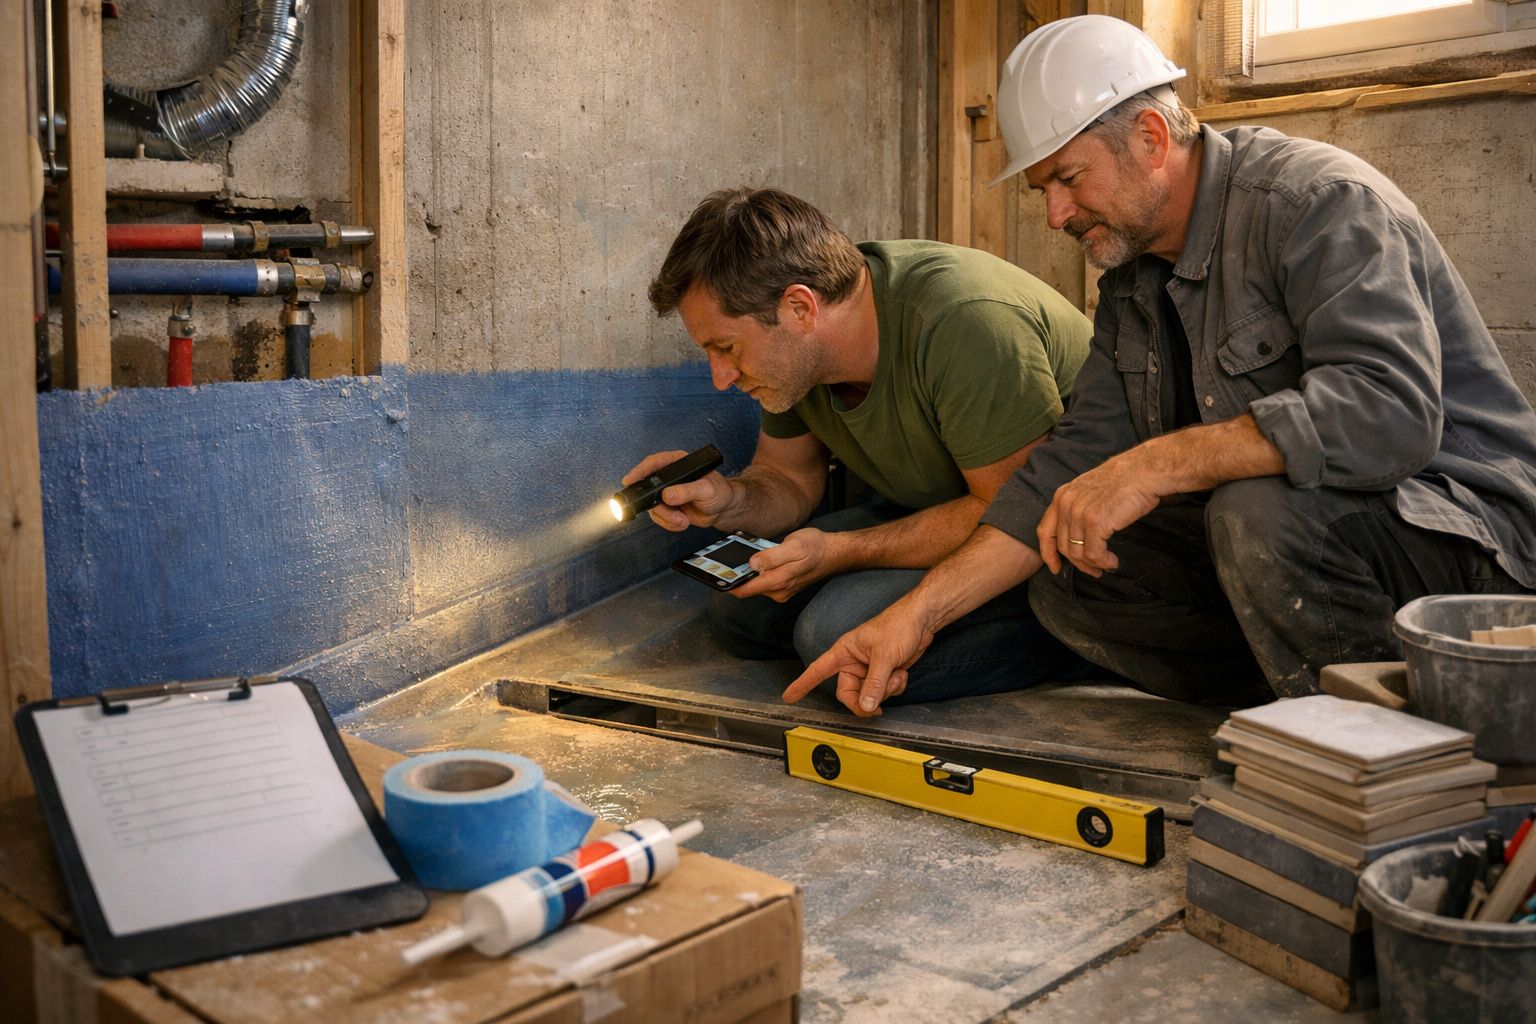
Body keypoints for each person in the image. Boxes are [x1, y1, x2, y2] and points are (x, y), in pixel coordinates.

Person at [785, 15, 1536, 716]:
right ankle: (1293, 709)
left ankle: (1382, 748)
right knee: (1071, 566)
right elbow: (1058, 473)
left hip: (1466, 539)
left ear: (1149, 136)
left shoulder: (1318, 202)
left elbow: (1387, 414)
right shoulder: (1132, 282)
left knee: (1255, 511)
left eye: (1068, 179)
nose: (1055, 215)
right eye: (1042, 189)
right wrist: (915, 618)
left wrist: (1156, 463)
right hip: (1305, 545)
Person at [628, 185, 1098, 709]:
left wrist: (840, 553)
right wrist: (728, 500)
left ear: (800, 308)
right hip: (942, 508)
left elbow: (1013, 513)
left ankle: (1083, 640)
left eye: (726, 347)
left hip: (1053, 541)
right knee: (742, 611)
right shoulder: (797, 359)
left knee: (831, 639)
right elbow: (789, 478)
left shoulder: (964, 320)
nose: (722, 377)